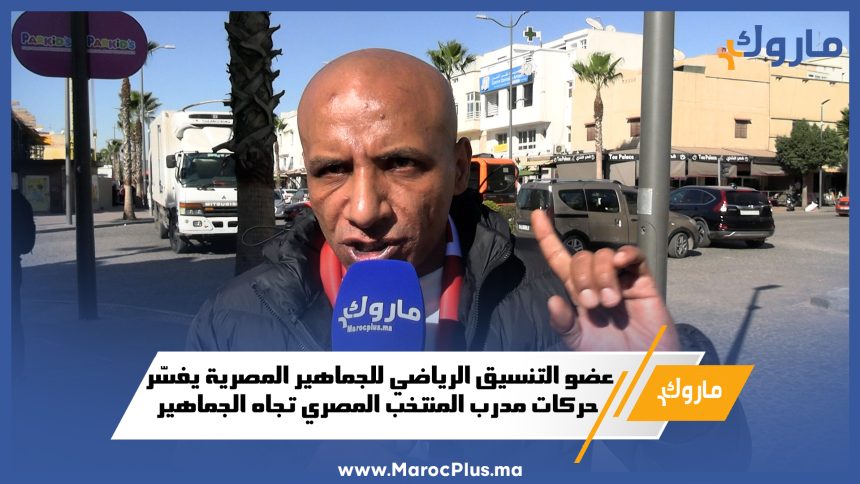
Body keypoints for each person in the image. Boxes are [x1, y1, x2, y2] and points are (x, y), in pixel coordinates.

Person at [187, 48, 748, 471]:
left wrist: (668, 390)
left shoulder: (555, 306)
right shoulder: (233, 323)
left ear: (459, 169)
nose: (363, 209)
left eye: (400, 163)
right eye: (332, 169)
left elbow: (706, 469)